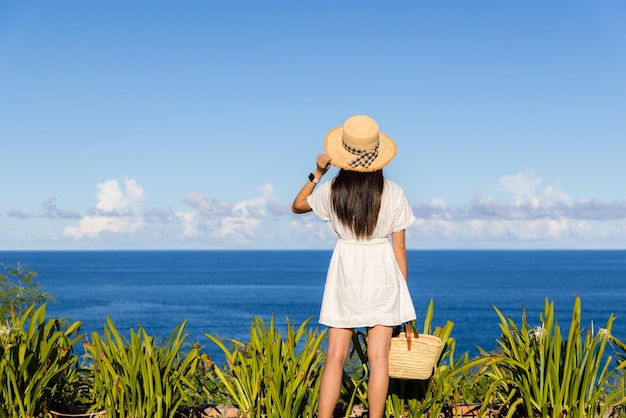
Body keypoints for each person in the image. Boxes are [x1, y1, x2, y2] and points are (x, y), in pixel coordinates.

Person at [292, 115, 417, 418]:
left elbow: (298, 205)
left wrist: (318, 172)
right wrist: (400, 296)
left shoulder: (333, 190)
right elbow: (399, 248)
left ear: (345, 155)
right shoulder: (394, 192)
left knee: (335, 355)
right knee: (379, 358)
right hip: (383, 270)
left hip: (345, 269)